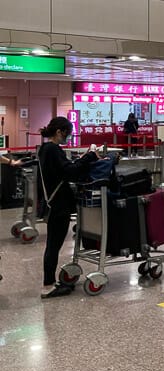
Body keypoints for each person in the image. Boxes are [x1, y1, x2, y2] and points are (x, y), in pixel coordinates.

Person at [37, 117, 99, 298]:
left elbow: (62, 170)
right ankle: (48, 286)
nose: (68, 137)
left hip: (54, 204)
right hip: (59, 205)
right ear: (59, 132)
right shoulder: (52, 149)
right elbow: (69, 171)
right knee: (53, 245)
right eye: (67, 133)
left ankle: (49, 282)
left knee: (52, 244)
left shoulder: (45, 149)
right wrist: (89, 157)